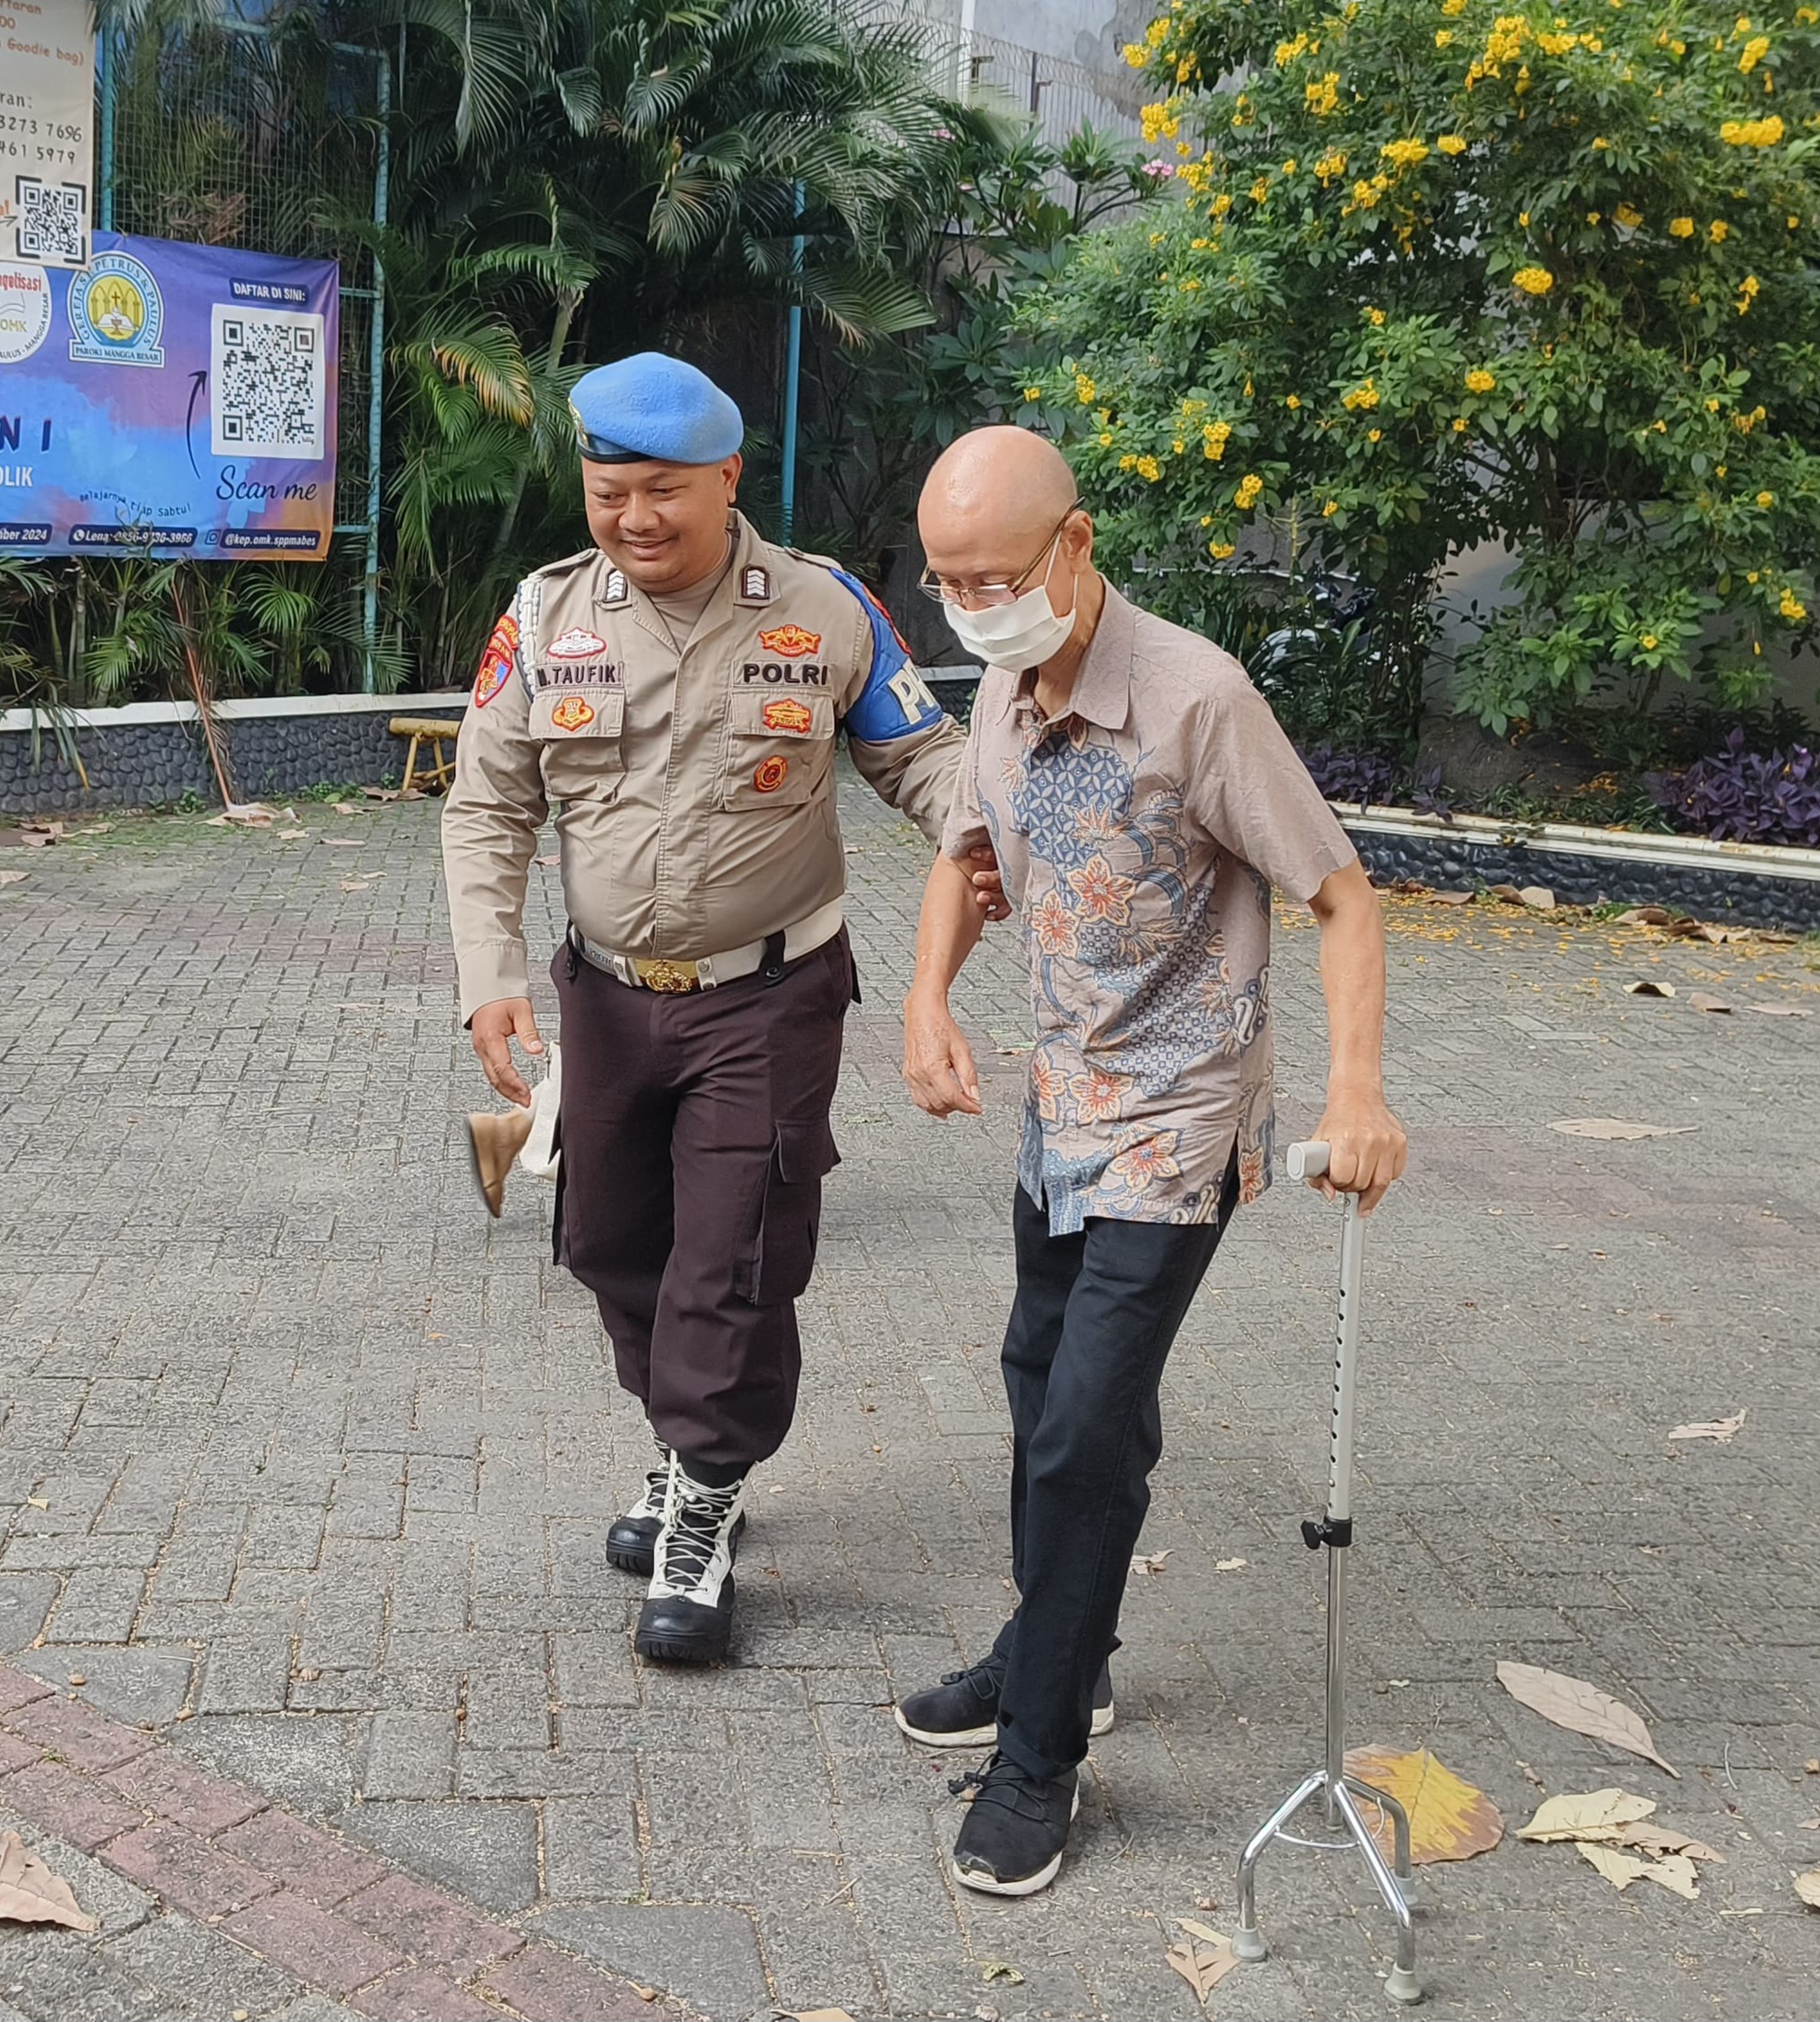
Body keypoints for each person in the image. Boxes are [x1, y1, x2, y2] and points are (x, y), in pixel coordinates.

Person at [894, 425, 1408, 1897]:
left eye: (994, 573)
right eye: (946, 580)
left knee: (1082, 1424)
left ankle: (1041, 1756)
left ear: (1076, 543)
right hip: (1060, 1105)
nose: (973, 602)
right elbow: (967, 854)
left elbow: (1342, 893)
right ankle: (1061, 1652)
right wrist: (930, 998)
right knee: (1040, 1388)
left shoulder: (1197, 697)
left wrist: (1358, 1089)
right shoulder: (1003, 686)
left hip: (1179, 1125)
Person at [443, 352, 993, 1664]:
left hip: (772, 996)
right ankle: (692, 1447)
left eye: (664, 493)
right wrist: (491, 973)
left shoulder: (826, 607)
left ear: (730, 479)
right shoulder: (544, 617)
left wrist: (997, 834)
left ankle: (703, 1498)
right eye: (609, 489)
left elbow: (921, 756)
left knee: (731, 1258)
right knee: (608, 1243)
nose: (634, 518)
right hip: (609, 998)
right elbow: (489, 802)